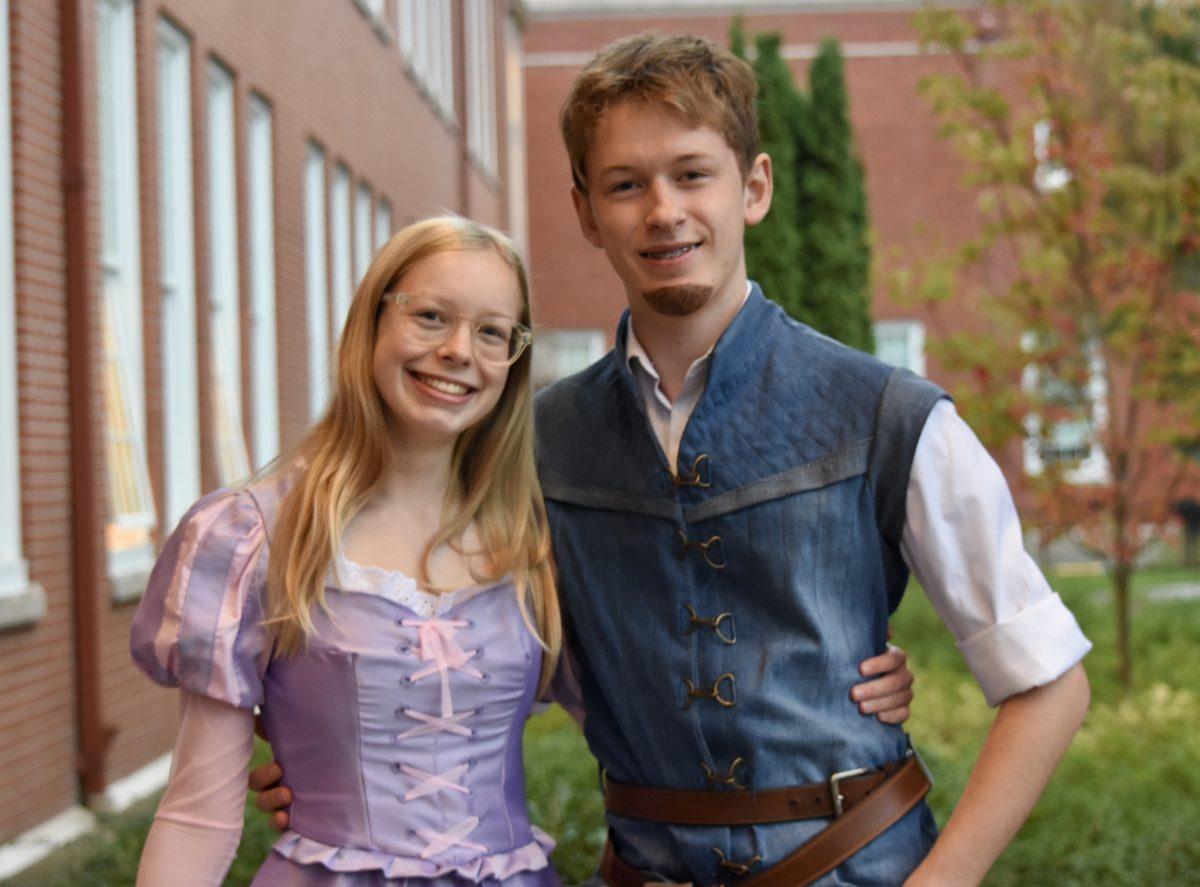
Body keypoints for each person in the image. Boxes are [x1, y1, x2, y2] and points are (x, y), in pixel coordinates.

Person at [252, 31, 1091, 887]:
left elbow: (1051, 686)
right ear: (585, 212)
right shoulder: (527, 445)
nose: (663, 211)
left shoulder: (889, 415)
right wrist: (333, 765)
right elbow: (432, 630)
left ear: (752, 187)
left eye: (692, 173)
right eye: (626, 184)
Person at [132, 216, 566, 885]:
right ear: (372, 319)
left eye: (490, 332)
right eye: (430, 315)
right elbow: (198, 813)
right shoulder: (258, 537)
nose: (457, 350)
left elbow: (646, 743)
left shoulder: (536, 543)